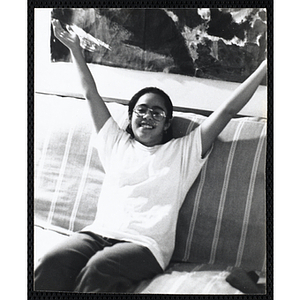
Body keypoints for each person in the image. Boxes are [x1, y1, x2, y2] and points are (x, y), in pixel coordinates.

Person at [34, 19, 267, 293]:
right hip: (98, 233)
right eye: (141, 110)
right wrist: (75, 50)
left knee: (99, 270)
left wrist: (265, 66)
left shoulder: (184, 152)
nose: (147, 116)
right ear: (130, 117)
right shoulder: (114, 141)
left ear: (167, 123)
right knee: (51, 261)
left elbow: (227, 111)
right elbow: (90, 93)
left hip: (145, 245)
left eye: (157, 113)